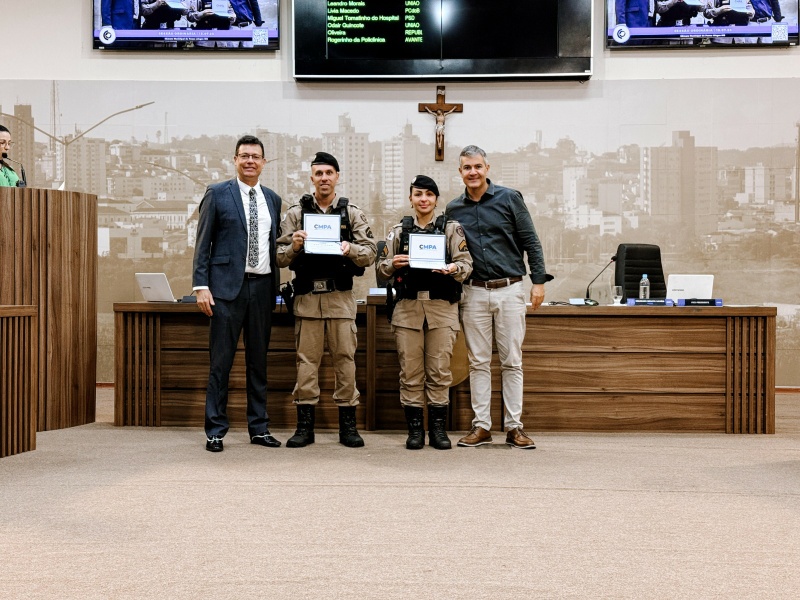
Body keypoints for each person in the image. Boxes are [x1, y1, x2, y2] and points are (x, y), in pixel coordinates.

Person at [445, 145, 552, 450]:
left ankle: (514, 427)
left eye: (478, 166)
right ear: (460, 172)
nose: (473, 172)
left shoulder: (509, 198)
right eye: (467, 167)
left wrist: (539, 282)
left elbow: (531, 240)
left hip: (510, 289)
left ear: (487, 168)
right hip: (474, 292)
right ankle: (481, 427)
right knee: (478, 362)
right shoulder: (454, 209)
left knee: (512, 362)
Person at [276, 151, 377, 448]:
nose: (323, 179)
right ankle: (304, 427)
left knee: (345, 362)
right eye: (318, 174)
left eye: (328, 173)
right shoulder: (296, 214)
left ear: (337, 177)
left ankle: (348, 425)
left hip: (340, 298)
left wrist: (350, 249)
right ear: (311, 178)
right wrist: (294, 246)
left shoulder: (352, 214)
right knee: (306, 363)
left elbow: (371, 252)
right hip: (307, 299)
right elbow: (279, 258)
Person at [192, 135, 282, 453]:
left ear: (264, 162)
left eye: (255, 156)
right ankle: (215, 431)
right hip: (226, 290)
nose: (250, 161)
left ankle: (259, 428)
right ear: (234, 160)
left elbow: (275, 247)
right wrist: (201, 286)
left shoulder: (273, 199)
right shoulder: (217, 194)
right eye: (244, 156)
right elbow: (203, 244)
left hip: (262, 288)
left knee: (258, 363)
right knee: (221, 364)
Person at [376, 175, 472, 450]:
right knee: (410, 371)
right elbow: (381, 269)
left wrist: (454, 269)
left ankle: (438, 430)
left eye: (429, 195)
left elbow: (466, 264)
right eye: (418, 194)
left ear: (436, 200)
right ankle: (415, 430)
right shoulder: (399, 230)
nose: (424, 199)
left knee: (440, 370)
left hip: (442, 309)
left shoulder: (451, 230)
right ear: (411, 198)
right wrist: (392, 263)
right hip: (407, 309)